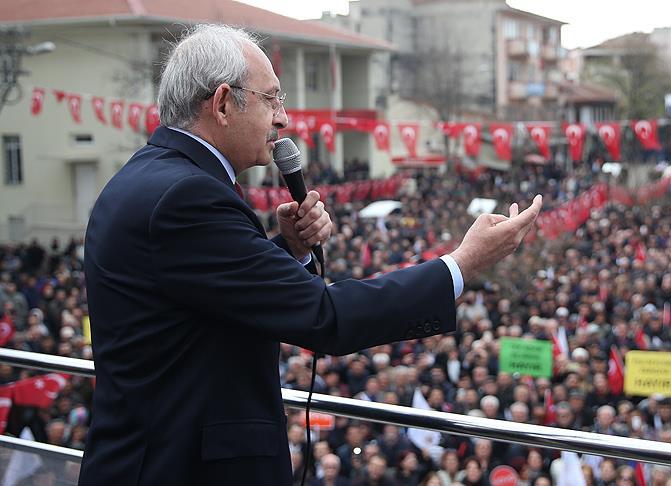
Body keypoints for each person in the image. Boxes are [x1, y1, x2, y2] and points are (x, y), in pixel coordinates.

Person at [78, 24, 541, 486]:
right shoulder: (188, 196)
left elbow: (204, 301)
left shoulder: (148, 177)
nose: (283, 120)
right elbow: (326, 316)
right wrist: (463, 264)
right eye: (272, 99)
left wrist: (290, 249)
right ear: (222, 103)